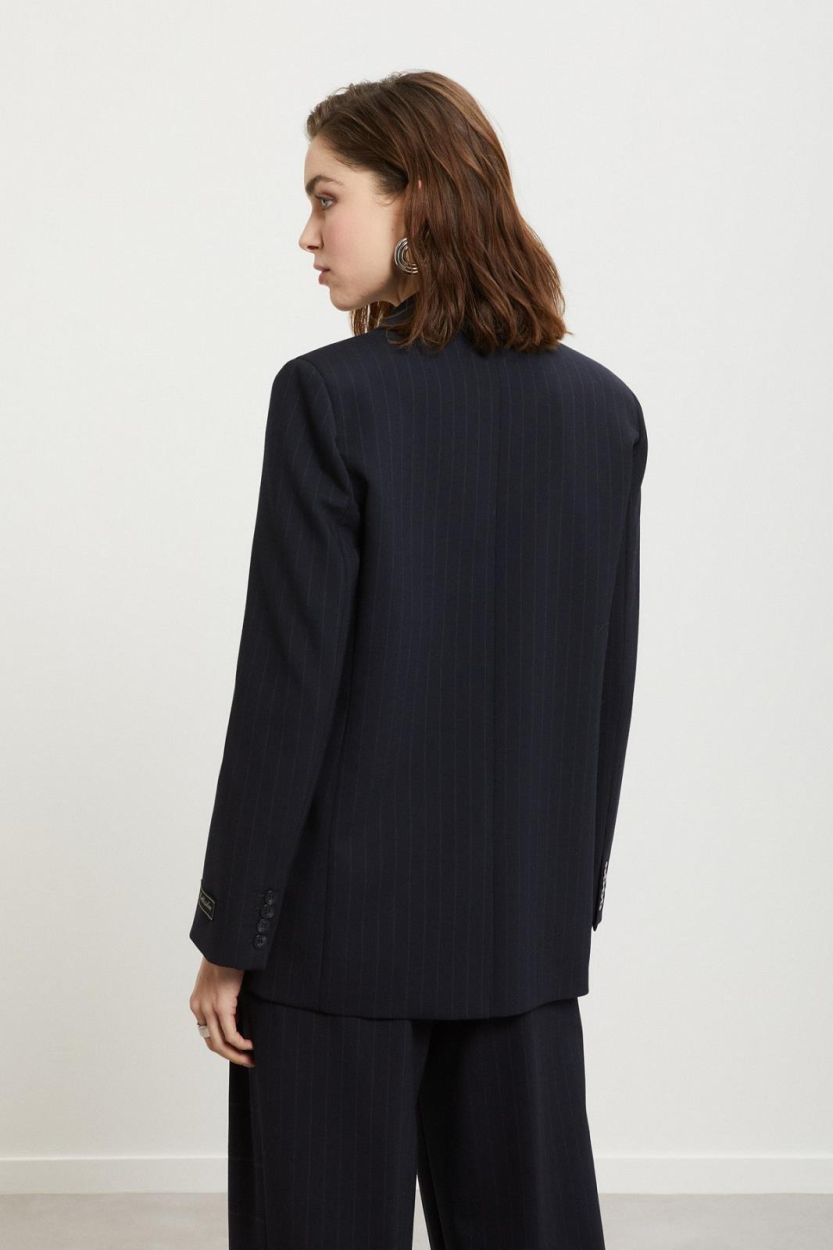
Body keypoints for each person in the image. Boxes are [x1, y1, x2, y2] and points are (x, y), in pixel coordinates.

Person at [188, 69, 647, 1250]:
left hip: (335, 947)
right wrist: (561, 907)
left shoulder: (326, 398)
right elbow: (602, 694)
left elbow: (287, 687)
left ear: (417, 200)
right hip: (521, 935)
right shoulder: (602, 411)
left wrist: (231, 931)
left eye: (325, 197)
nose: (306, 234)